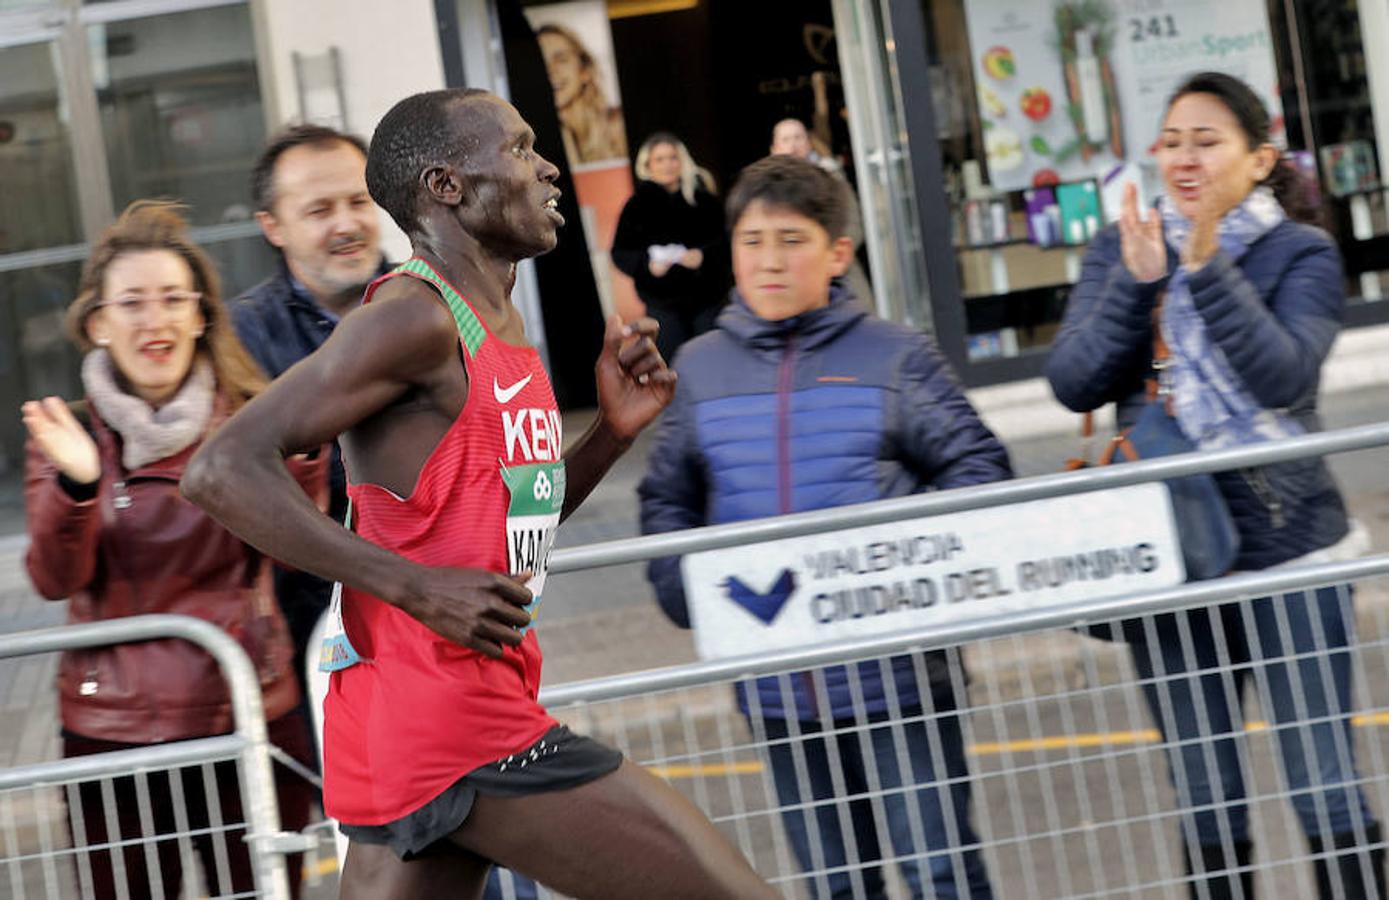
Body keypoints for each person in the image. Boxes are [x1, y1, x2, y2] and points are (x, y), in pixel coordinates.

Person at [182, 88, 775, 899]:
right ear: (447, 186)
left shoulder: (494, 323)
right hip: (450, 718)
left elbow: (511, 525)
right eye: (522, 148)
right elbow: (221, 469)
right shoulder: (409, 320)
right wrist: (412, 585)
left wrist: (610, 432)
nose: (547, 169)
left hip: (423, 713)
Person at [1046, 71, 1383, 899]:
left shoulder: (1299, 251)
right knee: (1203, 793)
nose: (1183, 158)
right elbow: (1073, 382)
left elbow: (1282, 375)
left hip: (1288, 550)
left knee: (1322, 776)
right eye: (1170, 142)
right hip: (1171, 553)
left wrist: (1203, 267)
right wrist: (1135, 282)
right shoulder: (1122, 245)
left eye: (1207, 141)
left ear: (1259, 157)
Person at [639, 154, 1009, 899]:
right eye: (751, 241)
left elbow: (982, 476)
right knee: (834, 882)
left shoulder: (896, 355)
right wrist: (688, 590)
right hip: (773, 679)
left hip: (897, 675)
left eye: (791, 240)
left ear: (838, 252)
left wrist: (904, 570)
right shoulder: (699, 367)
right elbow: (666, 499)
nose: (768, 260)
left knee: (940, 871)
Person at [22, 201, 320, 899]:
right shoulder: (68, 436)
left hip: (247, 713)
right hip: (110, 732)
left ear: (199, 316)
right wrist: (77, 482)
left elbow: (302, 548)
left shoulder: (254, 421)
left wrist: (304, 449)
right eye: (130, 303)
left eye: (170, 301)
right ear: (98, 323)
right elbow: (53, 577)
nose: (152, 322)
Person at [231, 124, 391, 703]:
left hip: (443, 607)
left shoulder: (444, 304)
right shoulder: (238, 340)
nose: (346, 225)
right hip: (306, 627)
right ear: (271, 226)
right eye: (319, 210)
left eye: (358, 201)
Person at [611, 132, 729, 362]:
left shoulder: (705, 201)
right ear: (648, 165)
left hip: (707, 301)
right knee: (671, 368)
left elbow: (728, 244)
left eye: (672, 157)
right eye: (660, 159)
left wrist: (702, 256)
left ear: (682, 161)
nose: (667, 165)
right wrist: (647, 265)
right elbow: (620, 253)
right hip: (662, 305)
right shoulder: (637, 206)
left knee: (713, 362)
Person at [535, 23, 628, 164]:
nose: (550, 70)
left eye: (561, 59)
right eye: (540, 61)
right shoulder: (534, 144)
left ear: (585, 71)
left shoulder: (617, 127)